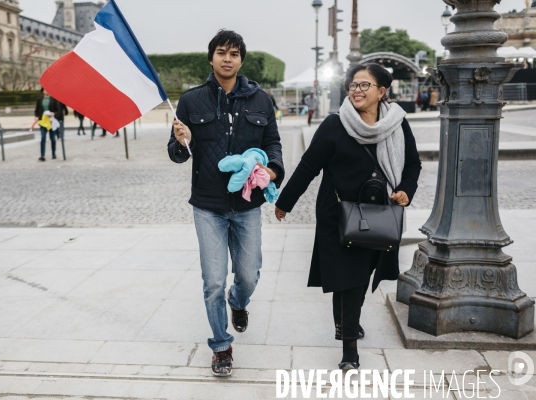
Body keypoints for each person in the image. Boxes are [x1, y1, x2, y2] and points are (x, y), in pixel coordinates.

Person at [274, 63, 421, 371]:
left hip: (379, 214)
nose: (357, 90)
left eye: (365, 85)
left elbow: (412, 165)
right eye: (353, 85)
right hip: (337, 215)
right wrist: (284, 202)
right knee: (349, 278)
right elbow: (308, 167)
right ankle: (349, 348)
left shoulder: (397, 124)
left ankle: (345, 322)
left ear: (382, 91)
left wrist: (406, 190)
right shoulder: (334, 124)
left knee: (358, 276)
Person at [168, 29, 284, 377]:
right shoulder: (191, 100)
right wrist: (180, 142)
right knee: (213, 280)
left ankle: (239, 301)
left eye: (234, 53)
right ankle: (221, 345)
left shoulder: (261, 100)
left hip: (247, 205)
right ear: (211, 58)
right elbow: (177, 155)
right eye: (221, 52)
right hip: (208, 206)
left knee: (248, 275)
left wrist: (274, 169)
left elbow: (273, 142)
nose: (227, 58)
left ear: (241, 60)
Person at [34, 88, 61, 161]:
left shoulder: (54, 99)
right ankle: (42, 155)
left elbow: (59, 111)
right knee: (43, 138)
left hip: (51, 121)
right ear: (42, 91)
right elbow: (37, 110)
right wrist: (36, 117)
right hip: (43, 121)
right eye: (45, 89)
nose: (47, 91)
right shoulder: (40, 100)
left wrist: (54, 114)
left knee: (52, 139)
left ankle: (53, 153)